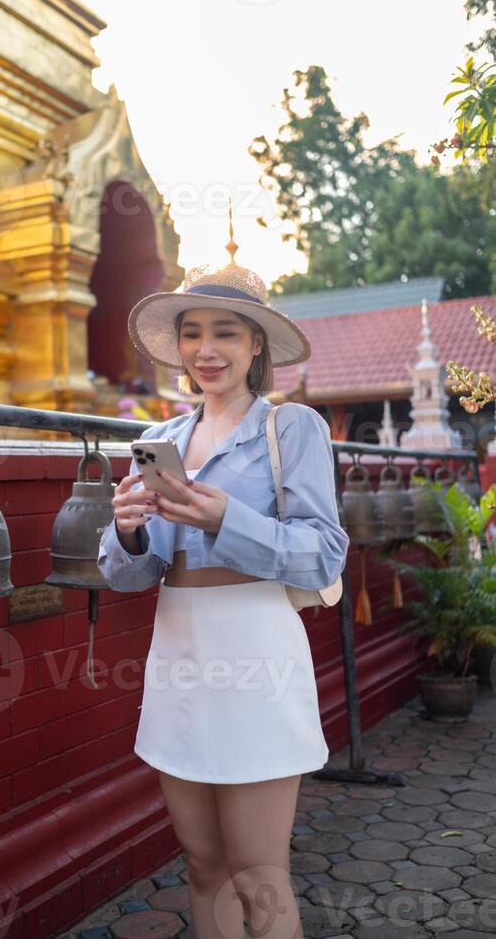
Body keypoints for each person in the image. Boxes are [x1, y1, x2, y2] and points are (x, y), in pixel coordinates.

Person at [97, 244, 349, 939]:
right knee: (204, 865)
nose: (205, 349)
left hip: (256, 647)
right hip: (178, 648)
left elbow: (324, 551)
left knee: (257, 873)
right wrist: (128, 532)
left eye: (225, 332)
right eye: (192, 332)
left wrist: (224, 519)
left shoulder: (290, 427)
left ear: (256, 343)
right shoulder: (158, 439)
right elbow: (131, 577)